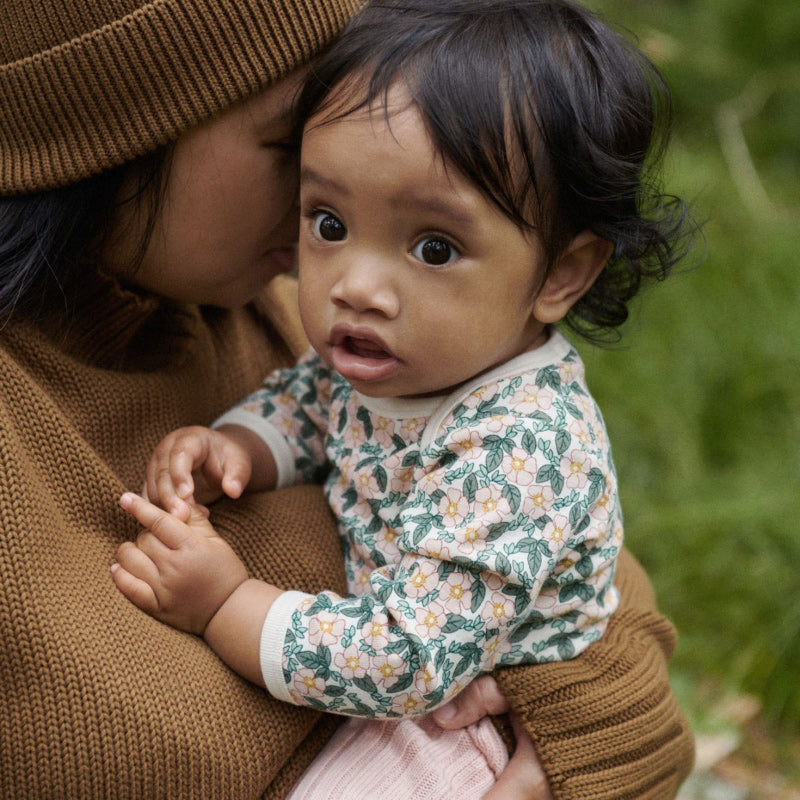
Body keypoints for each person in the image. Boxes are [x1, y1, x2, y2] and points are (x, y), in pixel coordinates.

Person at [0, 0, 694, 797]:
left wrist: (591, 732)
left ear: (564, 273)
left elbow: (593, 584)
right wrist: (247, 443)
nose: (353, 282)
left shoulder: (300, 314)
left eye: (432, 246)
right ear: (114, 132)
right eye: (319, 194)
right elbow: (317, 407)